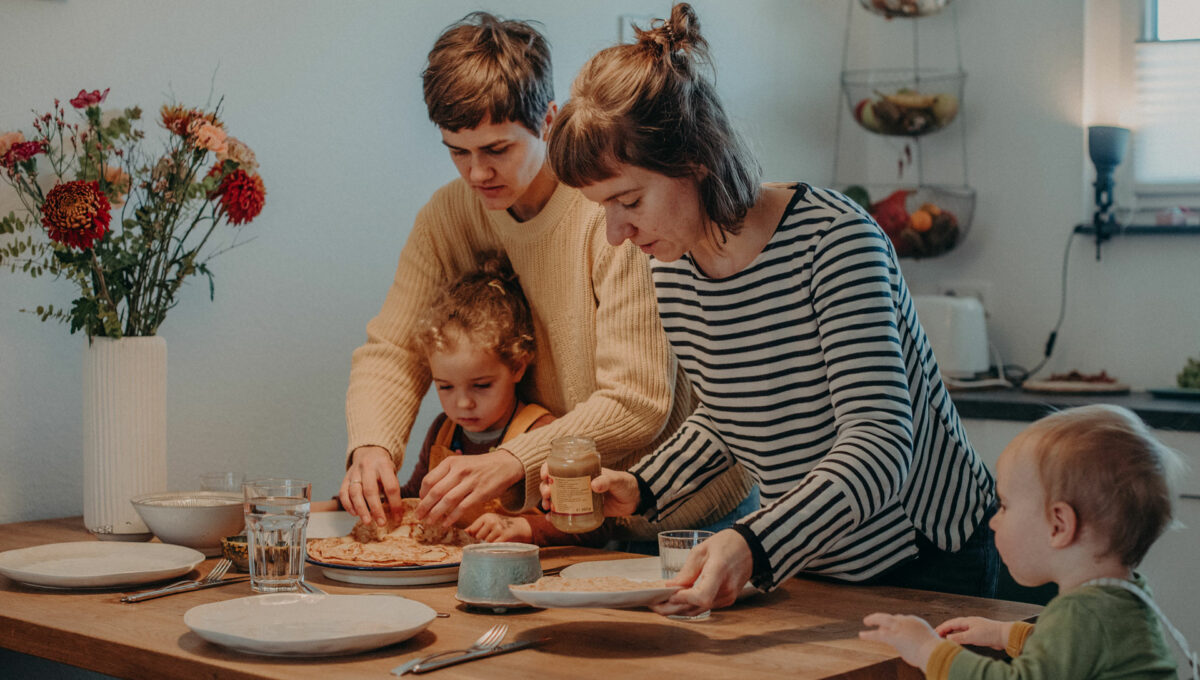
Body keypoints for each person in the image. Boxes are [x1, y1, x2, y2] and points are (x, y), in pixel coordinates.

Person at [545, 2, 1040, 618]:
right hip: (819, 561)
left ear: (694, 160)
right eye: (604, 210)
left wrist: (755, 541)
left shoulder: (833, 242)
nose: (617, 232)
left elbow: (880, 442)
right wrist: (644, 485)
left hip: (932, 557)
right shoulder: (670, 270)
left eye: (628, 200)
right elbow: (733, 415)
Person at [339, 11, 754, 542]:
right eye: (457, 152)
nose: (477, 173)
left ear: (550, 121)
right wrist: (372, 445)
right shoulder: (450, 215)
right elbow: (393, 348)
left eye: (497, 149)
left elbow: (637, 402)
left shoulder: (613, 214)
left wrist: (513, 459)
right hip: (562, 518)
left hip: (679, 512)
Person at [860, 405, 1195, 679]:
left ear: (1059, 525)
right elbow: (1072, 656)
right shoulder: (1118, 598)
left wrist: (928, 650)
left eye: (1004, 505)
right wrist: (1007, 634)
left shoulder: (1082, 612)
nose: (993, 520)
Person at [396, 251, 610, 546]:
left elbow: (590, 525)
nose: (462, 403)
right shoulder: (442, 432)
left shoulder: (542, 432)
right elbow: (414, 496)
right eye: (445, 387)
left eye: (481, 385)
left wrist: (524, 528)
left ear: (517, 366)